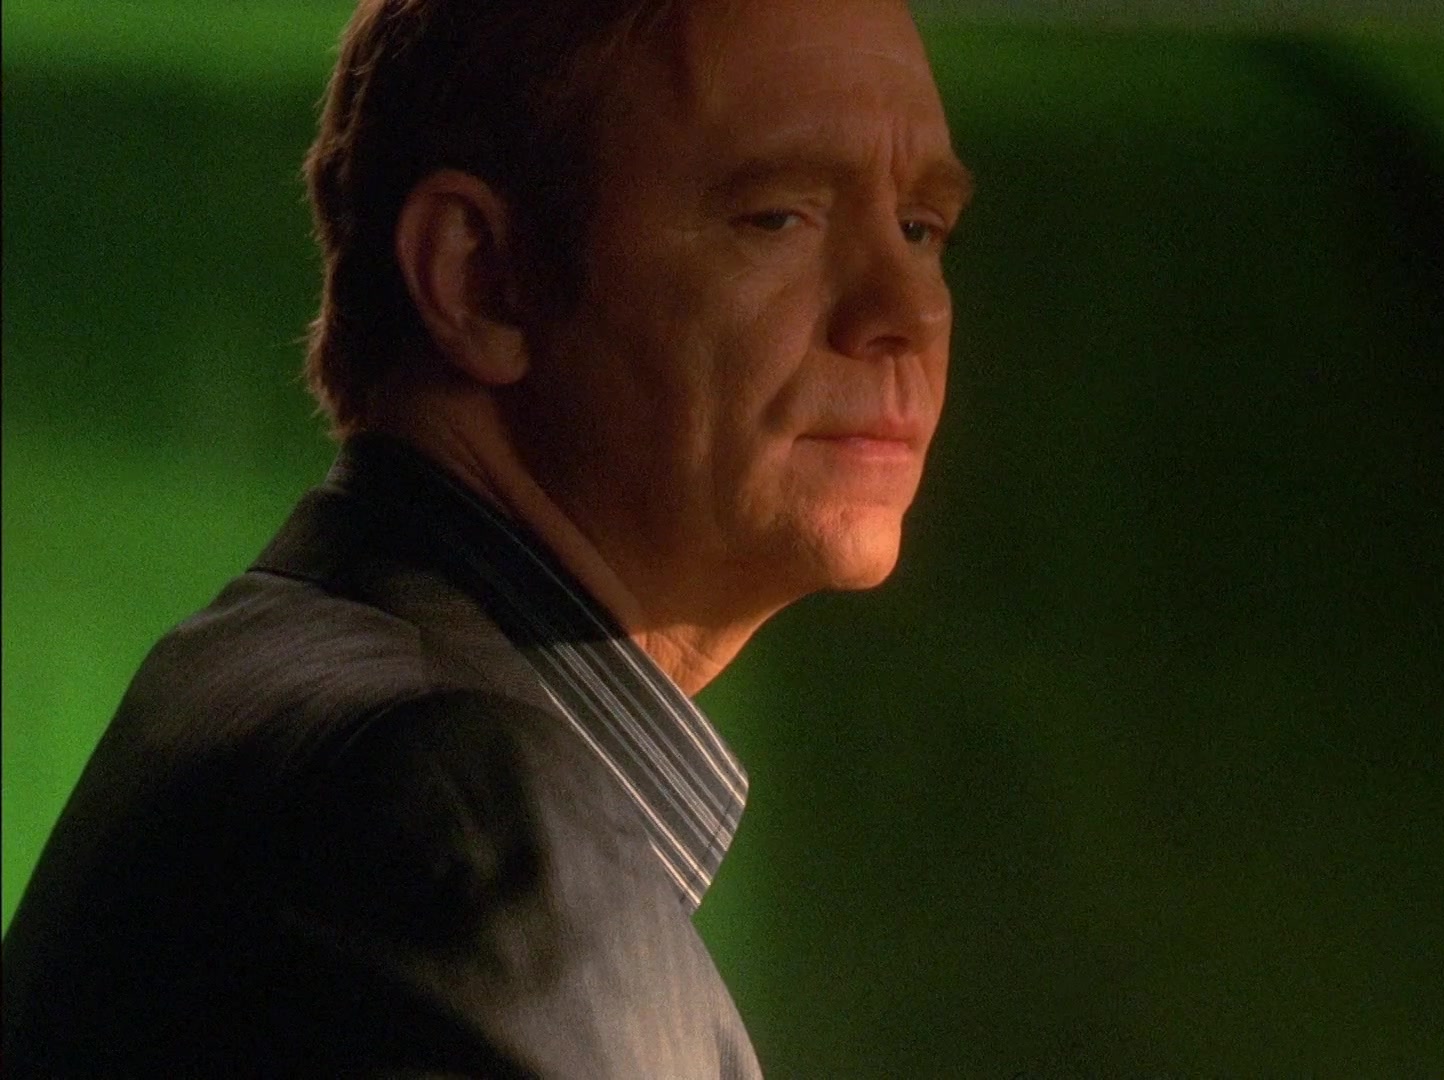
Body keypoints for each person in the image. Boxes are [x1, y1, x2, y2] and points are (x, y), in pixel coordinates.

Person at [1, 0, 971, 1074]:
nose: (905, 313)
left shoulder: (261, 679)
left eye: (922, 229)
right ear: (480, 278)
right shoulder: (445, 804)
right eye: (778, 217)